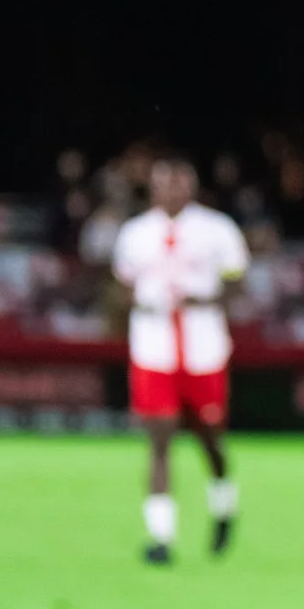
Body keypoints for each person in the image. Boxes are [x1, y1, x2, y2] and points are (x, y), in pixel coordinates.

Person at [111, 156, 249, 564]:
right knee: (160, 438)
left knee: (209, 437)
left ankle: (224, 504)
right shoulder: (135, 234)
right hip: (154, 344)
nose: (170, 191)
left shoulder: (217, 229)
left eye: (178, 183)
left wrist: (203, 298)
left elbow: (238, 285)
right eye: (163, 184)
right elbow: (121, 287)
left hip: (203, 344)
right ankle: (161, 538)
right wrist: (137, 303)